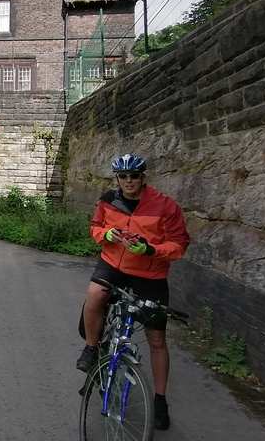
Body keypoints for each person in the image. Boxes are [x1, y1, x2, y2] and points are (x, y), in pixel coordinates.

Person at [76, 153, 189, 431]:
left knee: (157, 340)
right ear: (117, 178)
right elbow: (95, 228)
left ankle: (160, 401)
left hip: (150, 274)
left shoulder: (165, 206)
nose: (129, 181)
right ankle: (91, 348)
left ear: (143, 177)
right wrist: (107, 235)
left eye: (134, 176)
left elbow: (179, 244)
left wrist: (152, 250)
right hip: (113, 264)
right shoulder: (108, 200)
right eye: (123, 176)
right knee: (95, 295)